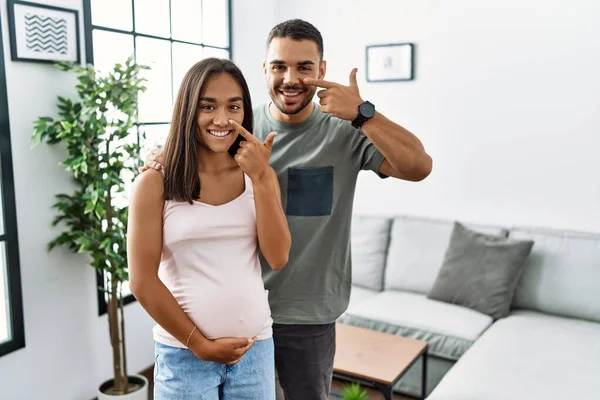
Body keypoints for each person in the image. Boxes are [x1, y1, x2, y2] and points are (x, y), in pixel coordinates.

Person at [143, 19, 432, 400]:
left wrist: (364, 114)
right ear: (264, 69)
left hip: (306, 315)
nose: (290, 78)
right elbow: (193, 150)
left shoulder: (345, 131)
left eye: (304, 67)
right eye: (279, 66)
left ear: (322, 71)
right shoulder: (239, 127)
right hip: (239, 313)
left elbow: (418, 167)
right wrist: (157, 158)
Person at [127, 57, 291, 400]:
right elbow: (142, 281)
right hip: (184, 354)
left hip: (255, 350)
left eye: (234, 106)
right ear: (189, 110)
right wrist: (200, 345)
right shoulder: (155, 182)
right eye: (208, 106)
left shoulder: (259, 176)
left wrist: (261, 177)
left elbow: (277, 257)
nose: (222, 119)